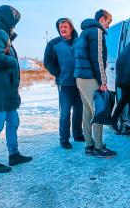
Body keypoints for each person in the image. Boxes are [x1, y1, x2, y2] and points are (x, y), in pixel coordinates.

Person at [0, 5, 32, 173]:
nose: (15, 24)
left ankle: (14, 154)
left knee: (13, 122)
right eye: (14, 20)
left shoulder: (0, 33)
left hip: (6, 89)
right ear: (7, 19)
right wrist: (13, 62)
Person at [74, 9, 117, 158]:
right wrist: (103, 81)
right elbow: (98, 59)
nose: (108, 26)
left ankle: (89, 145)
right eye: (108, 22)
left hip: (80, 78)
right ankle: (99, 147)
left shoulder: (84, 32)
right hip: (91, 78)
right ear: (102, 20)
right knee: (98, 112)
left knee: (87, 112)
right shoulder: (96, 32)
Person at [44, 18, 84, 150]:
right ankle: (64, 139)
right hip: (64, 83)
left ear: (71, 27)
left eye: (65, 26)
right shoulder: (53, 44)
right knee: (65, 112)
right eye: (60, 27)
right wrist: (59, 73)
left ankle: (78, 134)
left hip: (80, 82)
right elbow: (48, 62)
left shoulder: (79, 42)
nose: (62, 29)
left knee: (79, 111)